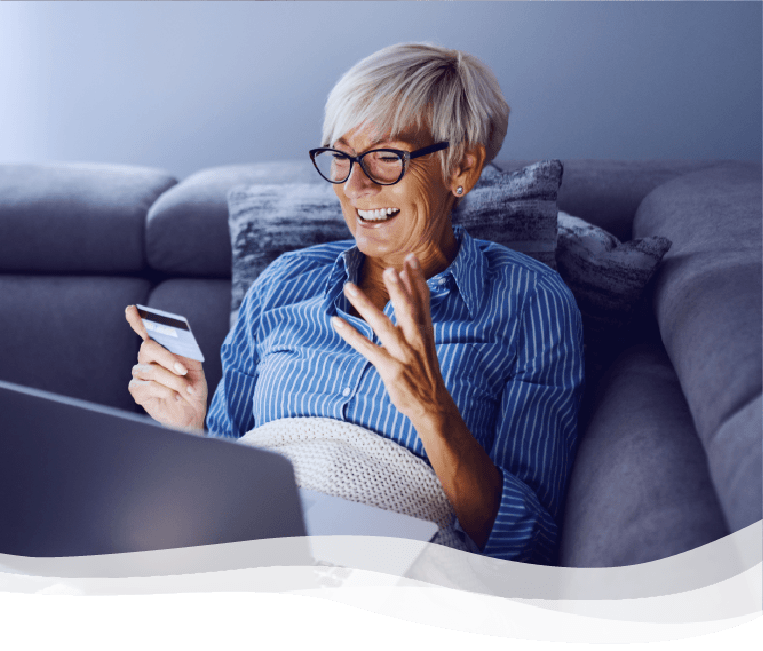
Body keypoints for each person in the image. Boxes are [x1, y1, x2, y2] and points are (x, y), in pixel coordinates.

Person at [126, 43, 583, 564]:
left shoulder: (531, 301)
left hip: (391, 574)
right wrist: (190, 428)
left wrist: (432, 410)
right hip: (250, 551)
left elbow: (528, 546)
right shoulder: (284, 282)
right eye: (342, 157)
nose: (355, 185)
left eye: (387, 157)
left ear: (462, 167)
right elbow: (224, 478)